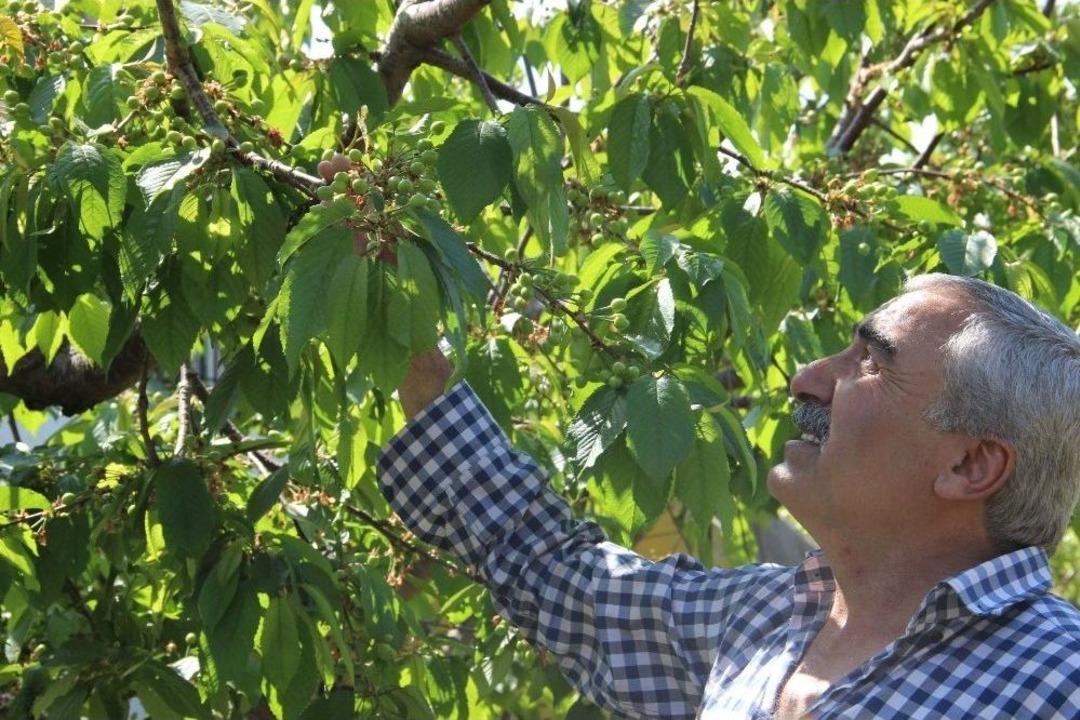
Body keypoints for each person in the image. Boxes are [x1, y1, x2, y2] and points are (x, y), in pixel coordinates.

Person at [377, 273, 1080, 719]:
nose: (808, 376)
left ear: (969, 463)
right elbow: (563, 580)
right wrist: (422, 375)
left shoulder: (1059, 684)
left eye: (872, 361)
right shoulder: (760, 620)